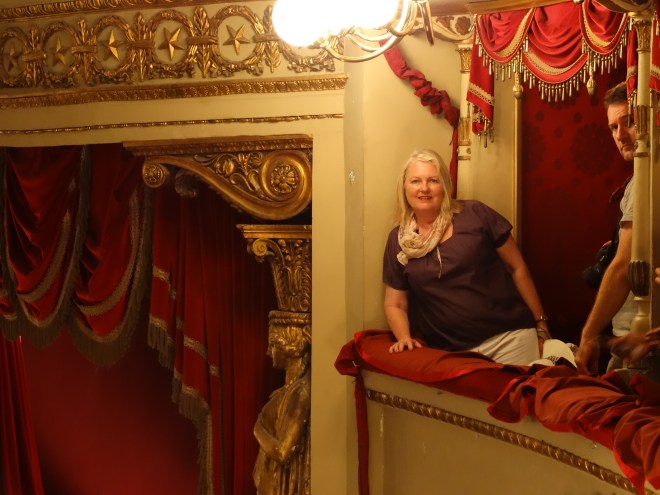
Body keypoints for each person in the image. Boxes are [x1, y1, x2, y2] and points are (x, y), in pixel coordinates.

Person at [382, 149, 550, 365]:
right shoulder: (398, 240)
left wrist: (541, 324)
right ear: (404, 187)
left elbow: (517, 268)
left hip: (510, 340)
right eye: (415, 181)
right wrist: (404, 337)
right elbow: (395, 303)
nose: (424, 188)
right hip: (453, 355)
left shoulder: (475, 213)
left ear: (445, 185)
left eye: (433, 180)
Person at [575, 81, 636, 375]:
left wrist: (588, 335)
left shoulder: (646, 180)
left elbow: (624, 267)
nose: (620, 135)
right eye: (613, 127)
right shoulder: (638, 180)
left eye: (630, 121)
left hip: (641, 341)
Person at [253, 324, 311, 495]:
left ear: (290, 348)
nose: (268, 352)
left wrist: (257, 429)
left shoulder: (300, 393)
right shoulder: (288, 390)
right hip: (270, 483)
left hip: (280, 485)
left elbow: (283, 451)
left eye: (274, 345)